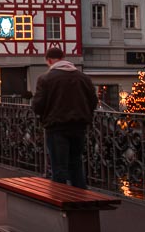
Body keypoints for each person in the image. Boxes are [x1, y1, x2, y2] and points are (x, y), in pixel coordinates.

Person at [31, 46, 98, 189]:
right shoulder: (83, 78)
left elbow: (38, 105)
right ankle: (80, 198)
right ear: (63, 58)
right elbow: (93, 101)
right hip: (79, 125)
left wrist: (44, 116)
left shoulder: (45, 79)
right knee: (76, 163)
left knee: (59, 166)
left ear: (48, 61)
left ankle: (60, 200)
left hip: (56, 126)